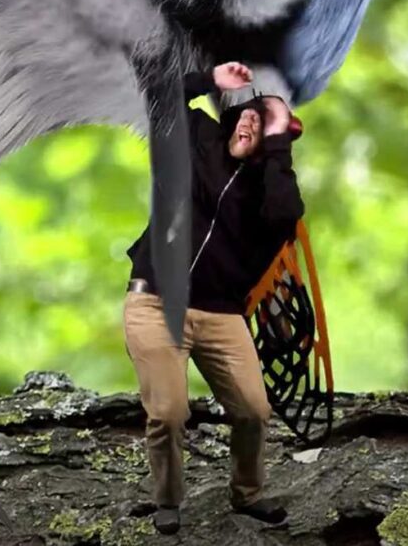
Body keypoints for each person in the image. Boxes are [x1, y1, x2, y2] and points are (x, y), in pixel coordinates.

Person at [123, 62, 304, 534]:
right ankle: (168, 500)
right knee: (168, 412)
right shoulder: (195, 142)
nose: (250, 121)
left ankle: (248, 494)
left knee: (253, 410)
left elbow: (285, 214)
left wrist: (277, 140)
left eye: (264, 123)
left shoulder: (272, 194)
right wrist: (210, 80)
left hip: (222, 315)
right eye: (248, 114)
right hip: (157, 304)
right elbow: (159, 94)